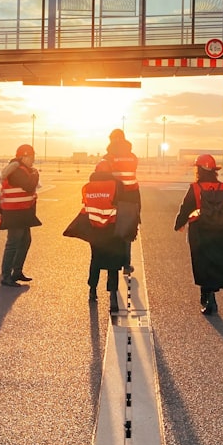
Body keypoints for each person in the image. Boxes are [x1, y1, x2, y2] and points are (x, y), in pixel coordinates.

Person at [174, 153, 223, 315]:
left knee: (202, 264)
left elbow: (185, 208)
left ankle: (207, 296)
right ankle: (210, 294)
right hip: (220, 232)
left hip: (199, 231)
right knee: (216, 262)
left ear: (200, 170)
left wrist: (179, 224)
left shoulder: (195, 188)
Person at [83, 160, 128, 313]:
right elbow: (124, 203)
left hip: (95, 229)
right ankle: (113, 297)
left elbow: (85, 205)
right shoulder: (117, 185)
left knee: (95, 259)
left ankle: (92, 290)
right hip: (112, 228)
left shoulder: (87, 187)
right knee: (113, 263)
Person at [0, 144, 41, 287]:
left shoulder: (23, 169)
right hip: (15, 213)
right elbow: (29, 186)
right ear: (24, 156)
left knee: (25, 241)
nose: (33, 160)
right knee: (13, 244)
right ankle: (6, 276)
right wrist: (35, 174)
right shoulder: (17, 171)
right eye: (31, 157)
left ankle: (17, 272)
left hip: (22, 213)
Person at [103, 128, 140, 274]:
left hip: (115, 198)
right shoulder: (133, 157)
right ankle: (126, 265)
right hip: (131, 198)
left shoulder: (108, 157)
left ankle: (114, 263)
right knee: (127, 232)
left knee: (113, 230)